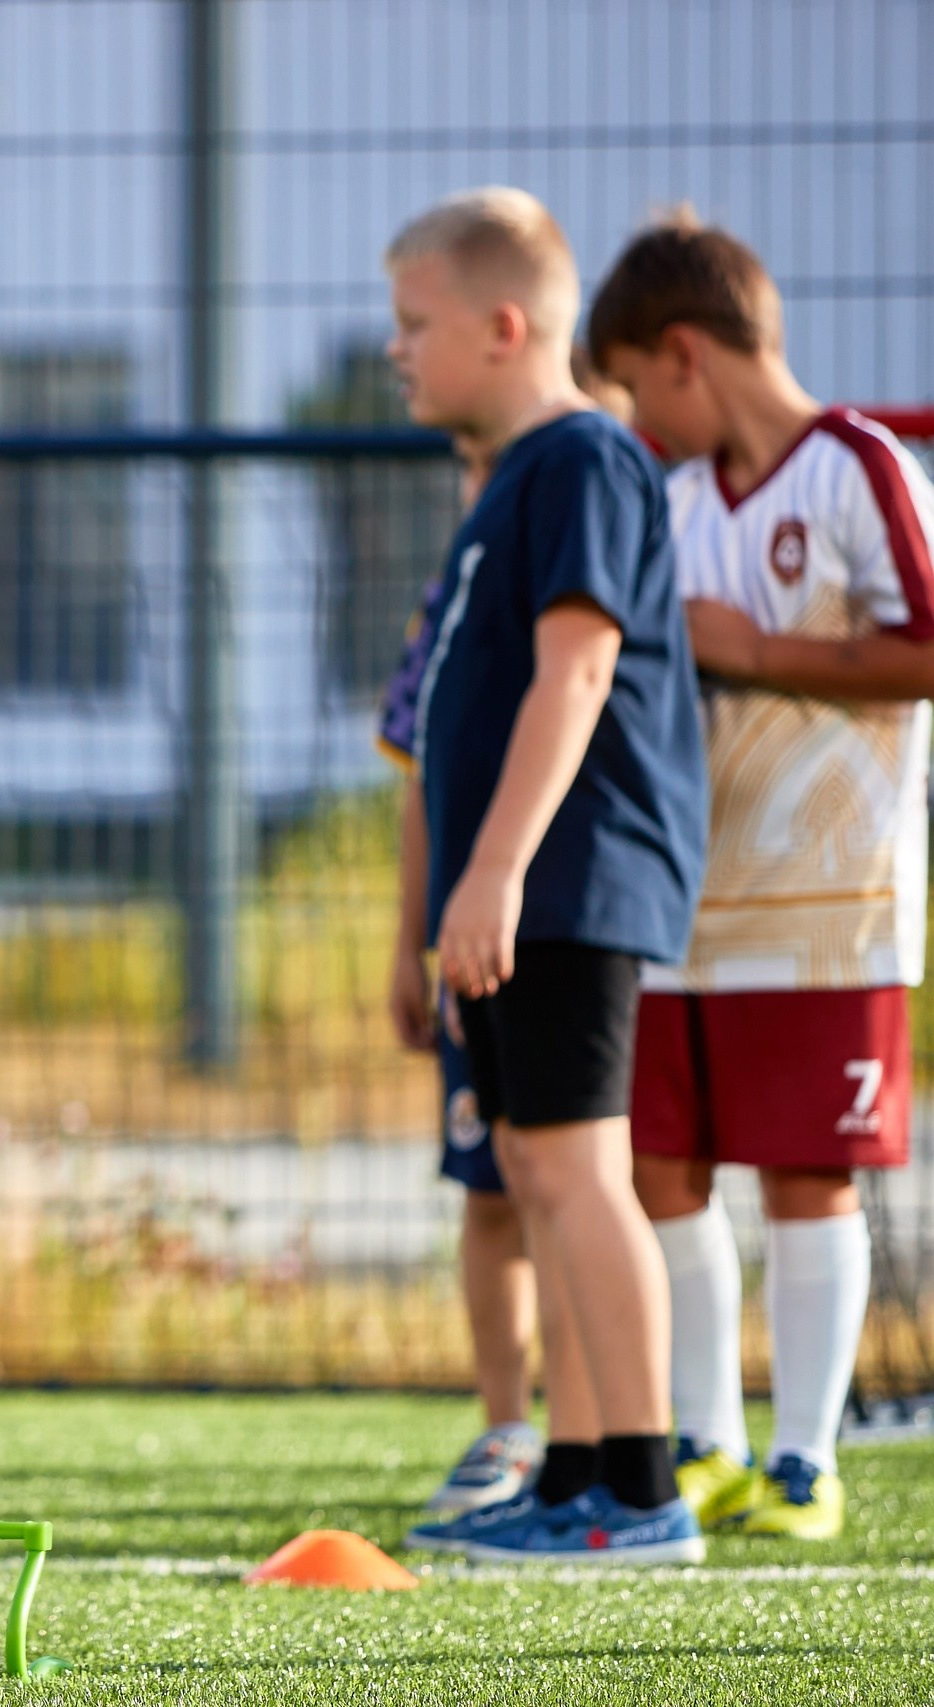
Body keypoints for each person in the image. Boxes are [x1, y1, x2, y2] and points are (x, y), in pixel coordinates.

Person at [591, 214, 934, 1542]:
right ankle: (709, 1440)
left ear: (685, 354)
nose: (637, 417)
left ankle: (805, 1458)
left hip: (827, 908)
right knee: (663, 1165)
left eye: (633, 384)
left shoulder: (862, 467)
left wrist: (752, 648)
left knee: (808, 1171)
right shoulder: (672, 500)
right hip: (679, 895)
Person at [382, 187, 709, 1564]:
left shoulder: (583, 459)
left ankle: (641, 1489)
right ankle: (575, 1465)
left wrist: (496, 869)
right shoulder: (512, 474)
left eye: (416, 324)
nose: (396, 349)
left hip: (570, 878)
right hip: (525, 886)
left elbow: (579, 672)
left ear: (506, 325)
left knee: (576, 1168)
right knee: (530, 1158)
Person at [385, 457, 543, 1518]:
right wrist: (408, 940)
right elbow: (417, 774)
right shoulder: (442, 609)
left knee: (576, 1190)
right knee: (489, 1191)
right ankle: (508, 1427)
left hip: (569, 937)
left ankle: (598, 1428)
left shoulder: (580, 590)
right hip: (467, 954)